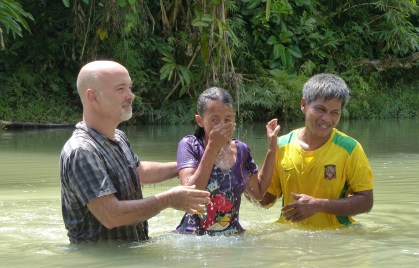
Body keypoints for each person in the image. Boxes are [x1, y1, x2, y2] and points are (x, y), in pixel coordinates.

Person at [60, 60, 210, 243]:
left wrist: (193, 164)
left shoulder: (118, 137)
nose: (131, 95)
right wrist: (168, 199)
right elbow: (111, 215)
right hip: (104, 267)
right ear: (92, 97)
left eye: (130, 88)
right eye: (120, 89)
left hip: (131, 257)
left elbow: (140, 173)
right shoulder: (82, 151)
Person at [259, 73, 374, 229]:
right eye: (320, 109)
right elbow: (265, 200)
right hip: (289, 238)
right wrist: (243, 174)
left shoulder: (350, 149)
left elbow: (366, 202)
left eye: (335, 112)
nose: (327, 119)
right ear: (304, 105)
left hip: (336, 237)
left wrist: (318, 205)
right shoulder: (281, 146)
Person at [175, 87, 280, 235]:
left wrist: (272, 150)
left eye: (228, 119)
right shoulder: (190, 145)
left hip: (233, 238)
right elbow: (189, 194)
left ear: (235, 119)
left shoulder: (241, 150)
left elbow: (259, 194)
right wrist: (212, 147)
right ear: (200, 121)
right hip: (193, 238)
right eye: (214, 119)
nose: (222, 125)